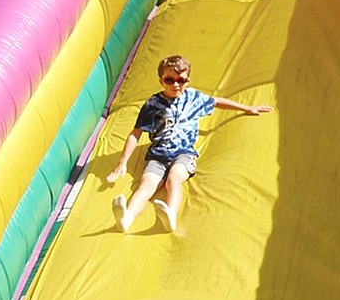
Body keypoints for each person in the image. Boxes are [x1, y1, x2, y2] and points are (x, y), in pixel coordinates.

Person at [105, 53, 272, 233]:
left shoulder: (193, 98)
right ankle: (127, 218)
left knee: (174, 179)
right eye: (169, 80)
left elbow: (216, 102)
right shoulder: (153, 104)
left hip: (184, 154)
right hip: (158, 156)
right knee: (146, 185)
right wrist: (122, 163)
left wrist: (247, 108)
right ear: (161, 80)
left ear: (188, 80)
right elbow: (135, 133)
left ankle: (171, 215)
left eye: (181, 80)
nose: (176, 85)